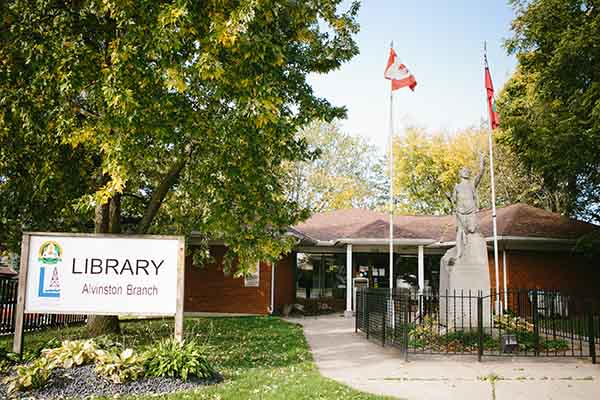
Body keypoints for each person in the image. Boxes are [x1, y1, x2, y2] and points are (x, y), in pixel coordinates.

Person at [451, 154, 485, 261]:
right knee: (459, 232)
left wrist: (481, 160)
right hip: (460, 212)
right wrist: (449, 198)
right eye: (463, 171)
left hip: (471, 211)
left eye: (467, 171)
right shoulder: (457, 186)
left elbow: (480, 173)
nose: (466, 172)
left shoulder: (472, 184)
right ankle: (459, 253)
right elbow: (453, 200)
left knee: (472, 229)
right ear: (460, 174)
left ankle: (472, 251)